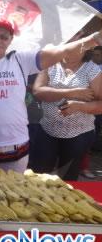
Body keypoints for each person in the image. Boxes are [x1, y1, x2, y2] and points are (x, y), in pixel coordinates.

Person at [0, 17, 102, 172]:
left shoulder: (21, 59)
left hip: (15, 145)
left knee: (14, 194)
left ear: (11, 40)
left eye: (3, 37)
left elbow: (63, 50)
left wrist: (93, 40)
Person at [30, 40, 102, 180]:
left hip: (78, 133)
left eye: (75, 49)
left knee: (68, 177)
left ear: (86, 50)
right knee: (39, 174)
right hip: (47, 129)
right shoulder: (51, 64)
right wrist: (71, 92)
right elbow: (38, 91)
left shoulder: (93, 70)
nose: (69, 51)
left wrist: (80, 106)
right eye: (67, 47)